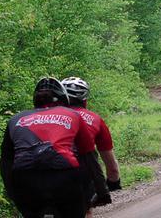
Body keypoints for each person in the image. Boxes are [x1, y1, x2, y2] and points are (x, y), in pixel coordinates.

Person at [0, 77, 111, 218]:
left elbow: (5, 163)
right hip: (64, 175)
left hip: (26, 177)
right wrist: (102, 192)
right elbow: (88, 158)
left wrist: (13, 194)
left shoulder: (15, 119)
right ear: (65, 100)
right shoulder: (73, 115)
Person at [61, 76, 121, 217]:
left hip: (36, 172)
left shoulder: (44, 116)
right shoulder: (95, 119)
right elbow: (110, 164)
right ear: (85, 100)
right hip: (79, 174)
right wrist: (113, 181)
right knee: (85, 208)